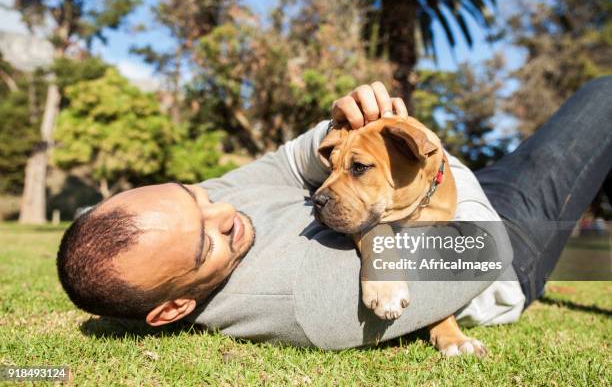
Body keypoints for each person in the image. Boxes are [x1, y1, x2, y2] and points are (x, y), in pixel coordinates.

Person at [56, 77, 612, 350]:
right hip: (503, 241)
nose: (223, 209)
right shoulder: (302, 300)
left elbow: (284, 161)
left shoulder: (192, 219)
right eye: (208, 240)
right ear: (173, 307)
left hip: (424, 185)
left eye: (194, 195)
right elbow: (480, 250)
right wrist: (430, 157)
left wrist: (345, 127)